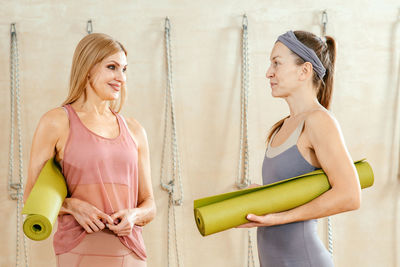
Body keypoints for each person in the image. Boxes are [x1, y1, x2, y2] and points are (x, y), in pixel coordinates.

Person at [23, 33, 156, 267]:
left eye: (124, 69)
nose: (121, 78)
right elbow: (31, 197)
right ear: (87, 68)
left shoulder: (135, 129)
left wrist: (133, 216)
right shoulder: (56, 122)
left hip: (131, 252)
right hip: (78, 251)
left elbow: (149, 204)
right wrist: (72, 206)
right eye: (112, 67)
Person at [238, 30, 361, 266]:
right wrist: (260, 197)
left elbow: (350, 195)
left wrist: (279, 218)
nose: (268, 72)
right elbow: (291, 193)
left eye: (276, 63)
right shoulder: (282, 127)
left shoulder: (319, 121)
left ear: (304, 70)